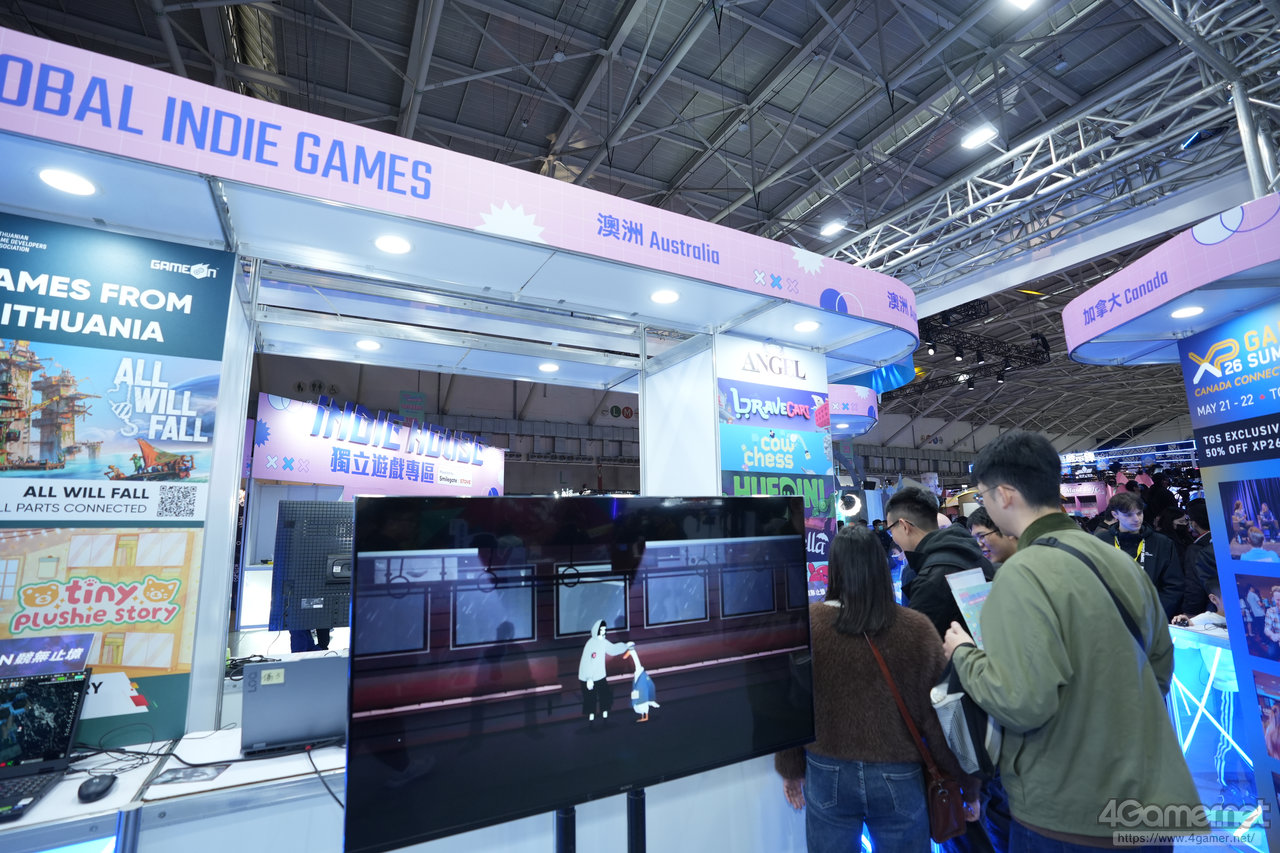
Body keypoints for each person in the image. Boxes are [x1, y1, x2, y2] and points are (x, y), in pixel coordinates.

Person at [943, 430, 1199, 851]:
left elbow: (1021, 701)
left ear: (1004, 494)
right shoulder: (1120, 561)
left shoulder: (1021, 573)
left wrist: (963, 655)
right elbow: (1160, 668)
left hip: (1068, 815)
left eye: (983, 495)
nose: (983, 505)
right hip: (1149, 802)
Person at [776, 525, 979, 852]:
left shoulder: (808, 626)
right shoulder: (916, 629)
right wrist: (968, 785)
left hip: (827, 770)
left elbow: (791, 705)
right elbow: (943, 714)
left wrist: (790, 768)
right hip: (899, 772)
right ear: (882, 565)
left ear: (834, 568)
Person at [886, 486, 994, 637]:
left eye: (891, 530)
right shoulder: (975, 556)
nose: (893, 538)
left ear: (904, 526)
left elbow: (916, 643)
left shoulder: (930, 578)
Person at [1095, 491, 1182, 620]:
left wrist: (1155, 613)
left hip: (1152, 616)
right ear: (1115, 515)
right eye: (1128, 515)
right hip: (1111, 617)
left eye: (1139, 513)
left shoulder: (1162, 543)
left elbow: (1174, 585)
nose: (1136, 519)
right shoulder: (1100, 541)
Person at [578, 620, 629, 721]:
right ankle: (591, 721)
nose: (603, 632)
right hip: (588, 678)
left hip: (600, 676)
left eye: (604, 630)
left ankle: (605, 717)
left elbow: (613, 649)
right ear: (597, 630)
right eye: (601, 630)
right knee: (590, 699)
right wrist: (589, 678)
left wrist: (626, 646)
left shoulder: (603, 642)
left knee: (605, 696)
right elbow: (587, 662)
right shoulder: (590, 644)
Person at [1179, 499, 1214, 617]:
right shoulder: (1226, 540)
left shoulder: (1195, 549)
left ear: (1194, 523)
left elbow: (1194, 586)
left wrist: (1190, 612)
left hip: (1206, 611)